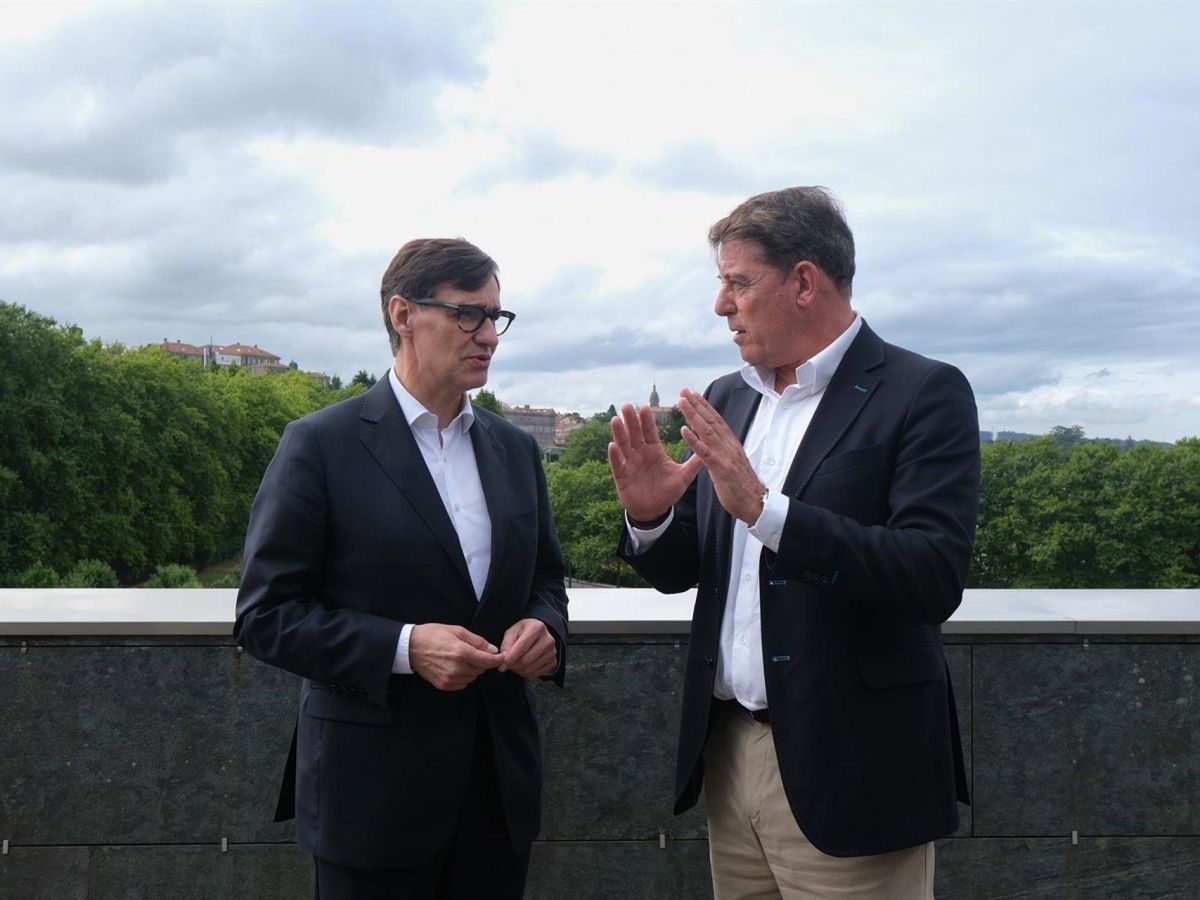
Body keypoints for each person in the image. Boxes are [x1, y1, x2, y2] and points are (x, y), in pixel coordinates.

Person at [609, 188, 978, 899]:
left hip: (855, 770)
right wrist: (650, 518)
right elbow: (685, 568)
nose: (721, 304)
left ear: (804, 282)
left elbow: (931, 574)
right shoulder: (729, 396)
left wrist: (765, 509)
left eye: (738, 282)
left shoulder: (922, 392)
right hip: (729, 757)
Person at [235, 237, 568, 899]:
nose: (488, 336)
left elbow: (546, 582)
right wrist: (405, 648)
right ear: (403, 315)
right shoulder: (320, 444)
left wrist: (545, 628)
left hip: (497, 795)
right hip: (371, 799)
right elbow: (265, 616)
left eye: (495, 317)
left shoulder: (514, 449)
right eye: (468, 314)